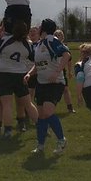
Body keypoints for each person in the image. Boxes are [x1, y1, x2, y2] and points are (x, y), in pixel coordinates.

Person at [29, 19, 72, 156]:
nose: (39, 27)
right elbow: (38, 64)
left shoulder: (51, 40)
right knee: (41, 116)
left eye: (41, 26)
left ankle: (61, 140)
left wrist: (57, 71)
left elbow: (67, 55)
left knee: (47, 112)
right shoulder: (40, 44)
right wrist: (29, 74)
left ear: (45, 28)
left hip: (55, 84)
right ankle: (40, 145)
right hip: (41, 84)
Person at [0, 19, 37, 139]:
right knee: (28, 103)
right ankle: (41, 125)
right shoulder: (28, 44)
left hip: (4, 74)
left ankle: (8, 130)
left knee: (6, 104)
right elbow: (33, 58)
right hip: (20, 74)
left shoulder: (5, 40)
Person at [54, 28, 76, 113]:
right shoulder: (51, 46)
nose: (58, 37)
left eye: (60, 35)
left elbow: (69, 61)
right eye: (56, 35)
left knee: (66, 89)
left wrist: (70, 71)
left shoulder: (65, 48)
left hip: (62, 71)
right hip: (52, 70)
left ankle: (70, 108)